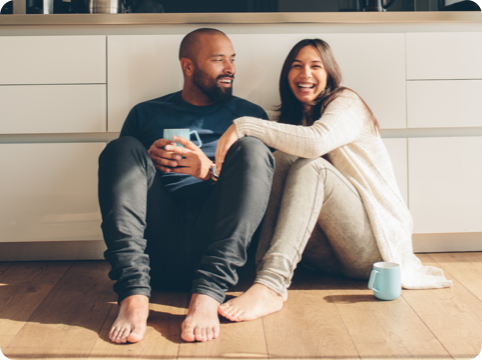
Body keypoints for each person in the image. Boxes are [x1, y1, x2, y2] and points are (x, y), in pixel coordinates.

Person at [215, 38, 452, 322]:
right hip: (325, 258)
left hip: (374, 249)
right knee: (280, 160)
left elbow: (317, 142)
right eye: (297, 66)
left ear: (329, 73)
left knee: (311, 167)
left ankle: (272, 285)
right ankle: (263, 275)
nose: (305, 74)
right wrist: (209, 170)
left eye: (315, 66)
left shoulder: (346, 102)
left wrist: (243, 125)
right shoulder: (293, 123)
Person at [98, 28, 274, 343]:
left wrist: (210, 172)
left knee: (253, 148)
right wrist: (146, 161)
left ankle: (208, 294)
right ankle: (133, 294)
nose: (230, 69)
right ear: (188, 66)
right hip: (158, 253)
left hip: (223, 255)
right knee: (122, 148)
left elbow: (261, 194)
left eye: (232, 60)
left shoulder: (250, 115)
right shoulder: (146, 113)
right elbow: (121, 188)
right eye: (218, 60)